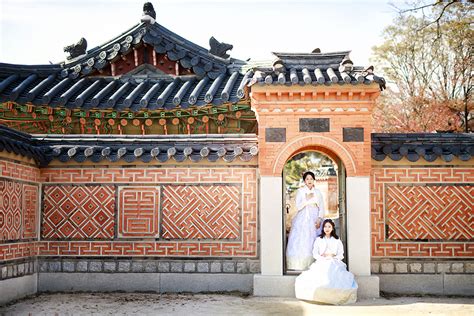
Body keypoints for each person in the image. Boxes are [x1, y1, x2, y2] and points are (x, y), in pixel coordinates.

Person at [295, 219, 358, 305]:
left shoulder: (337, 240)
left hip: (334, 261)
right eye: (325, 226)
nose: (327, 228)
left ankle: (332, 295)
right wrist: (322, 258)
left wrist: (332, 256)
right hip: (322, 261)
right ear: (323, 228)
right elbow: (315, 253)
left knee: (332, 270)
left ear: (332, 228)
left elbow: (341, 254)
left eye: (329, 226)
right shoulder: (318, 239)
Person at [286, 171, 325, 270]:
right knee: (303, 239)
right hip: (303, 216)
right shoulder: (301, 191)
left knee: (315, 238)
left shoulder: (318, 192)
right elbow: (298, 206)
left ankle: (316, 263)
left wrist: (319, 218)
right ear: (304, 181)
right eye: (307, 179)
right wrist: (306, 199)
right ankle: (301, 264)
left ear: (314, 180)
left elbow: (322, 207)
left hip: (315, 215)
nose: (309, 181)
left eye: (311, 179)